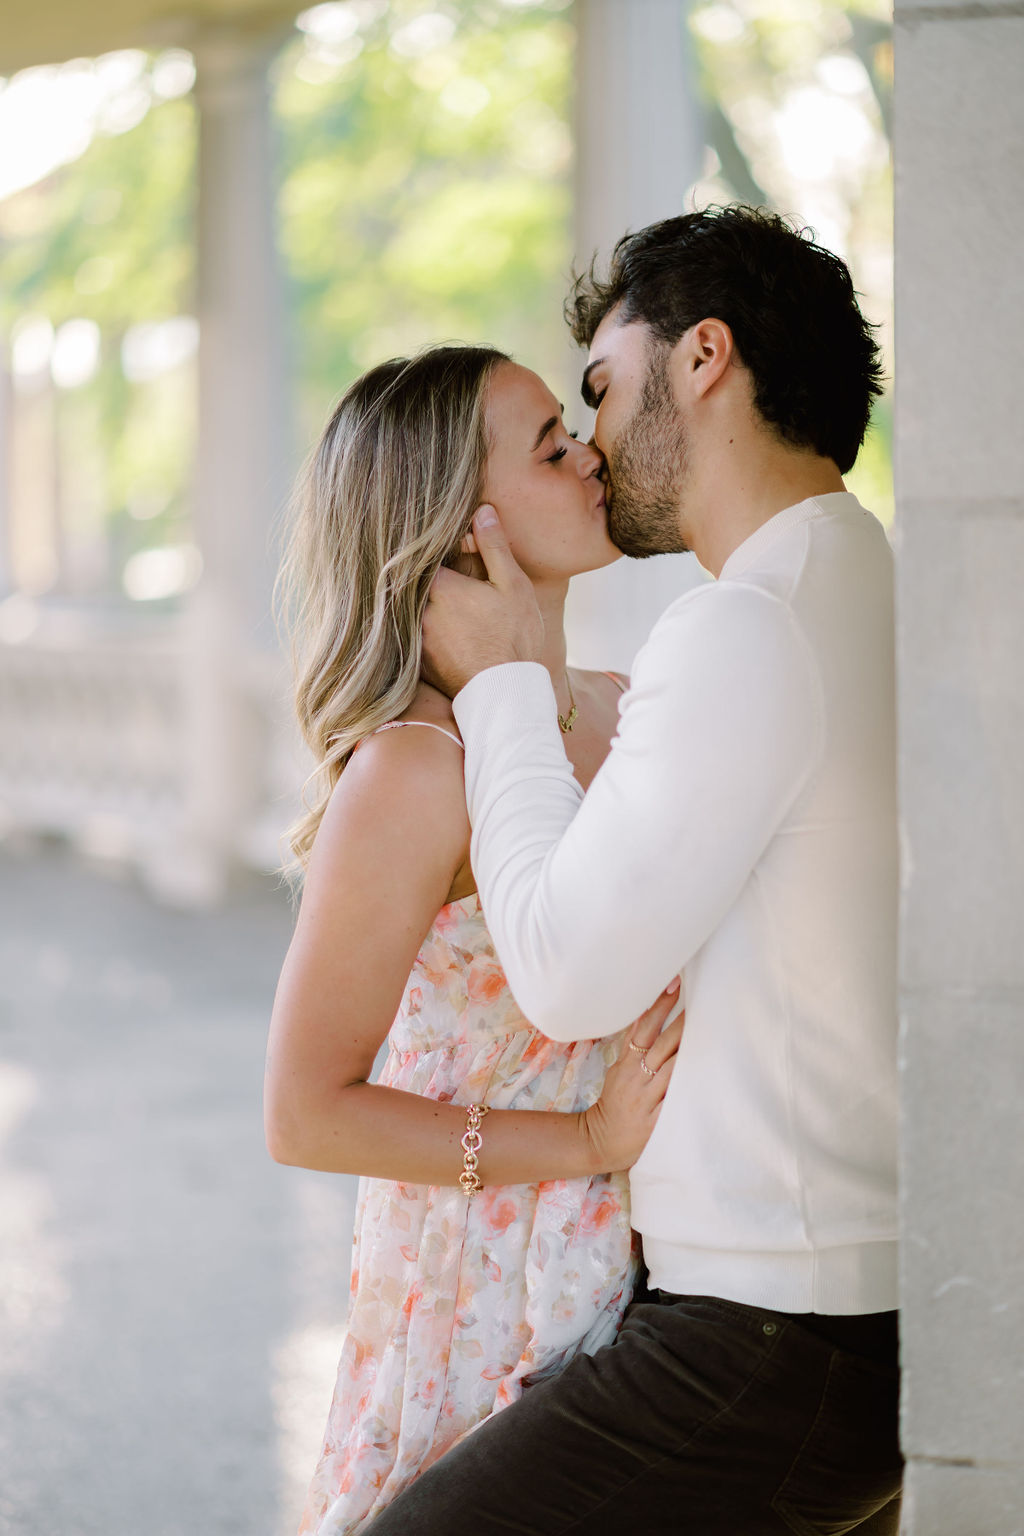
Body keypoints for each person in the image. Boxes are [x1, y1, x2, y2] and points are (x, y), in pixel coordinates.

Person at [365, 206, 903, 1534]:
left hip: (771, 1332)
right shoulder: (869, 580)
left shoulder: (747, 627)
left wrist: (498, 687)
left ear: (704, 357)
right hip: (850, 1314)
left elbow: (562, 975)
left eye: (601, 388)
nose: (593, 441)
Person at [264, 344, 685, 1536]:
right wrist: (586, 1137)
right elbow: (305, 1113)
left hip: (659, 1266)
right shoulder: (413, 767)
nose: (592, 454)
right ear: (462, 525)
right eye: (552, 445)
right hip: (484, 1301)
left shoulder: (624, 703)